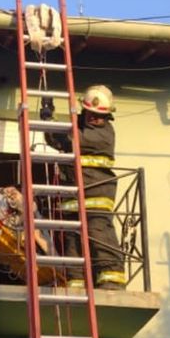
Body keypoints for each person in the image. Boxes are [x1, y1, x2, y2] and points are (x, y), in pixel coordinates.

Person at [44, 83, 127, 290]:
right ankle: (76, 283)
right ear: (84, 110)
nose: (94, 118)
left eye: (99, 116)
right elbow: (57, 140)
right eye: (90, 114)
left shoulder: (103, 134)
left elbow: (72, 141)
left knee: (99, 236)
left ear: (107, 117)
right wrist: (47, 119)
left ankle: (112, 282)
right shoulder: (78, 126)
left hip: (97, 194)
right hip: (73, 197)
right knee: (73, 241)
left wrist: (57, 124)